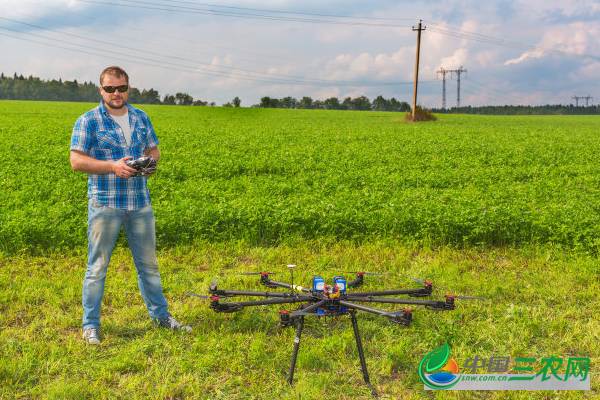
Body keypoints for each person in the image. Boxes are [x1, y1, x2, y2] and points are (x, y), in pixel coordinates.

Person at [70, 66, 190, 344]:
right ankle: (91, 326)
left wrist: (150, 164)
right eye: (110, 88)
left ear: (127, 88)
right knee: (97, 267)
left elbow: (153, 150)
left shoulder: (140, 116)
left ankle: (162, 318)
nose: (116, 93)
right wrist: (113, 166)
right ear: (101, 90)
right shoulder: (88, 120)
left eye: (121, 88)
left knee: (148, 265)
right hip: (105, 203)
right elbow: (77, 161)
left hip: (140, 203)